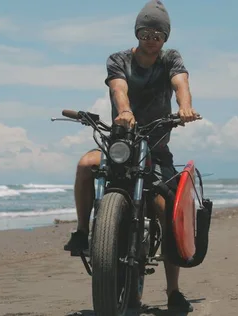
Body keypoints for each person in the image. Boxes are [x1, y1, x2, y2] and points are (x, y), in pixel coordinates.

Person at [63, 0, 199, 312]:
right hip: (122, 143)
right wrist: (124, 112)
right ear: (137, 32)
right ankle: (83, 232)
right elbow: (118, 88)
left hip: (157, 148)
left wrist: (185, 107)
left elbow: (181, 84)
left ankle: (173, 291)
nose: (151, 37)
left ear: (165, 37)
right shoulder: (119, 59)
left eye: (157, 33)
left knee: (167, 209)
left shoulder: (170, 59)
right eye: (145, 31)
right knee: (86, 164)